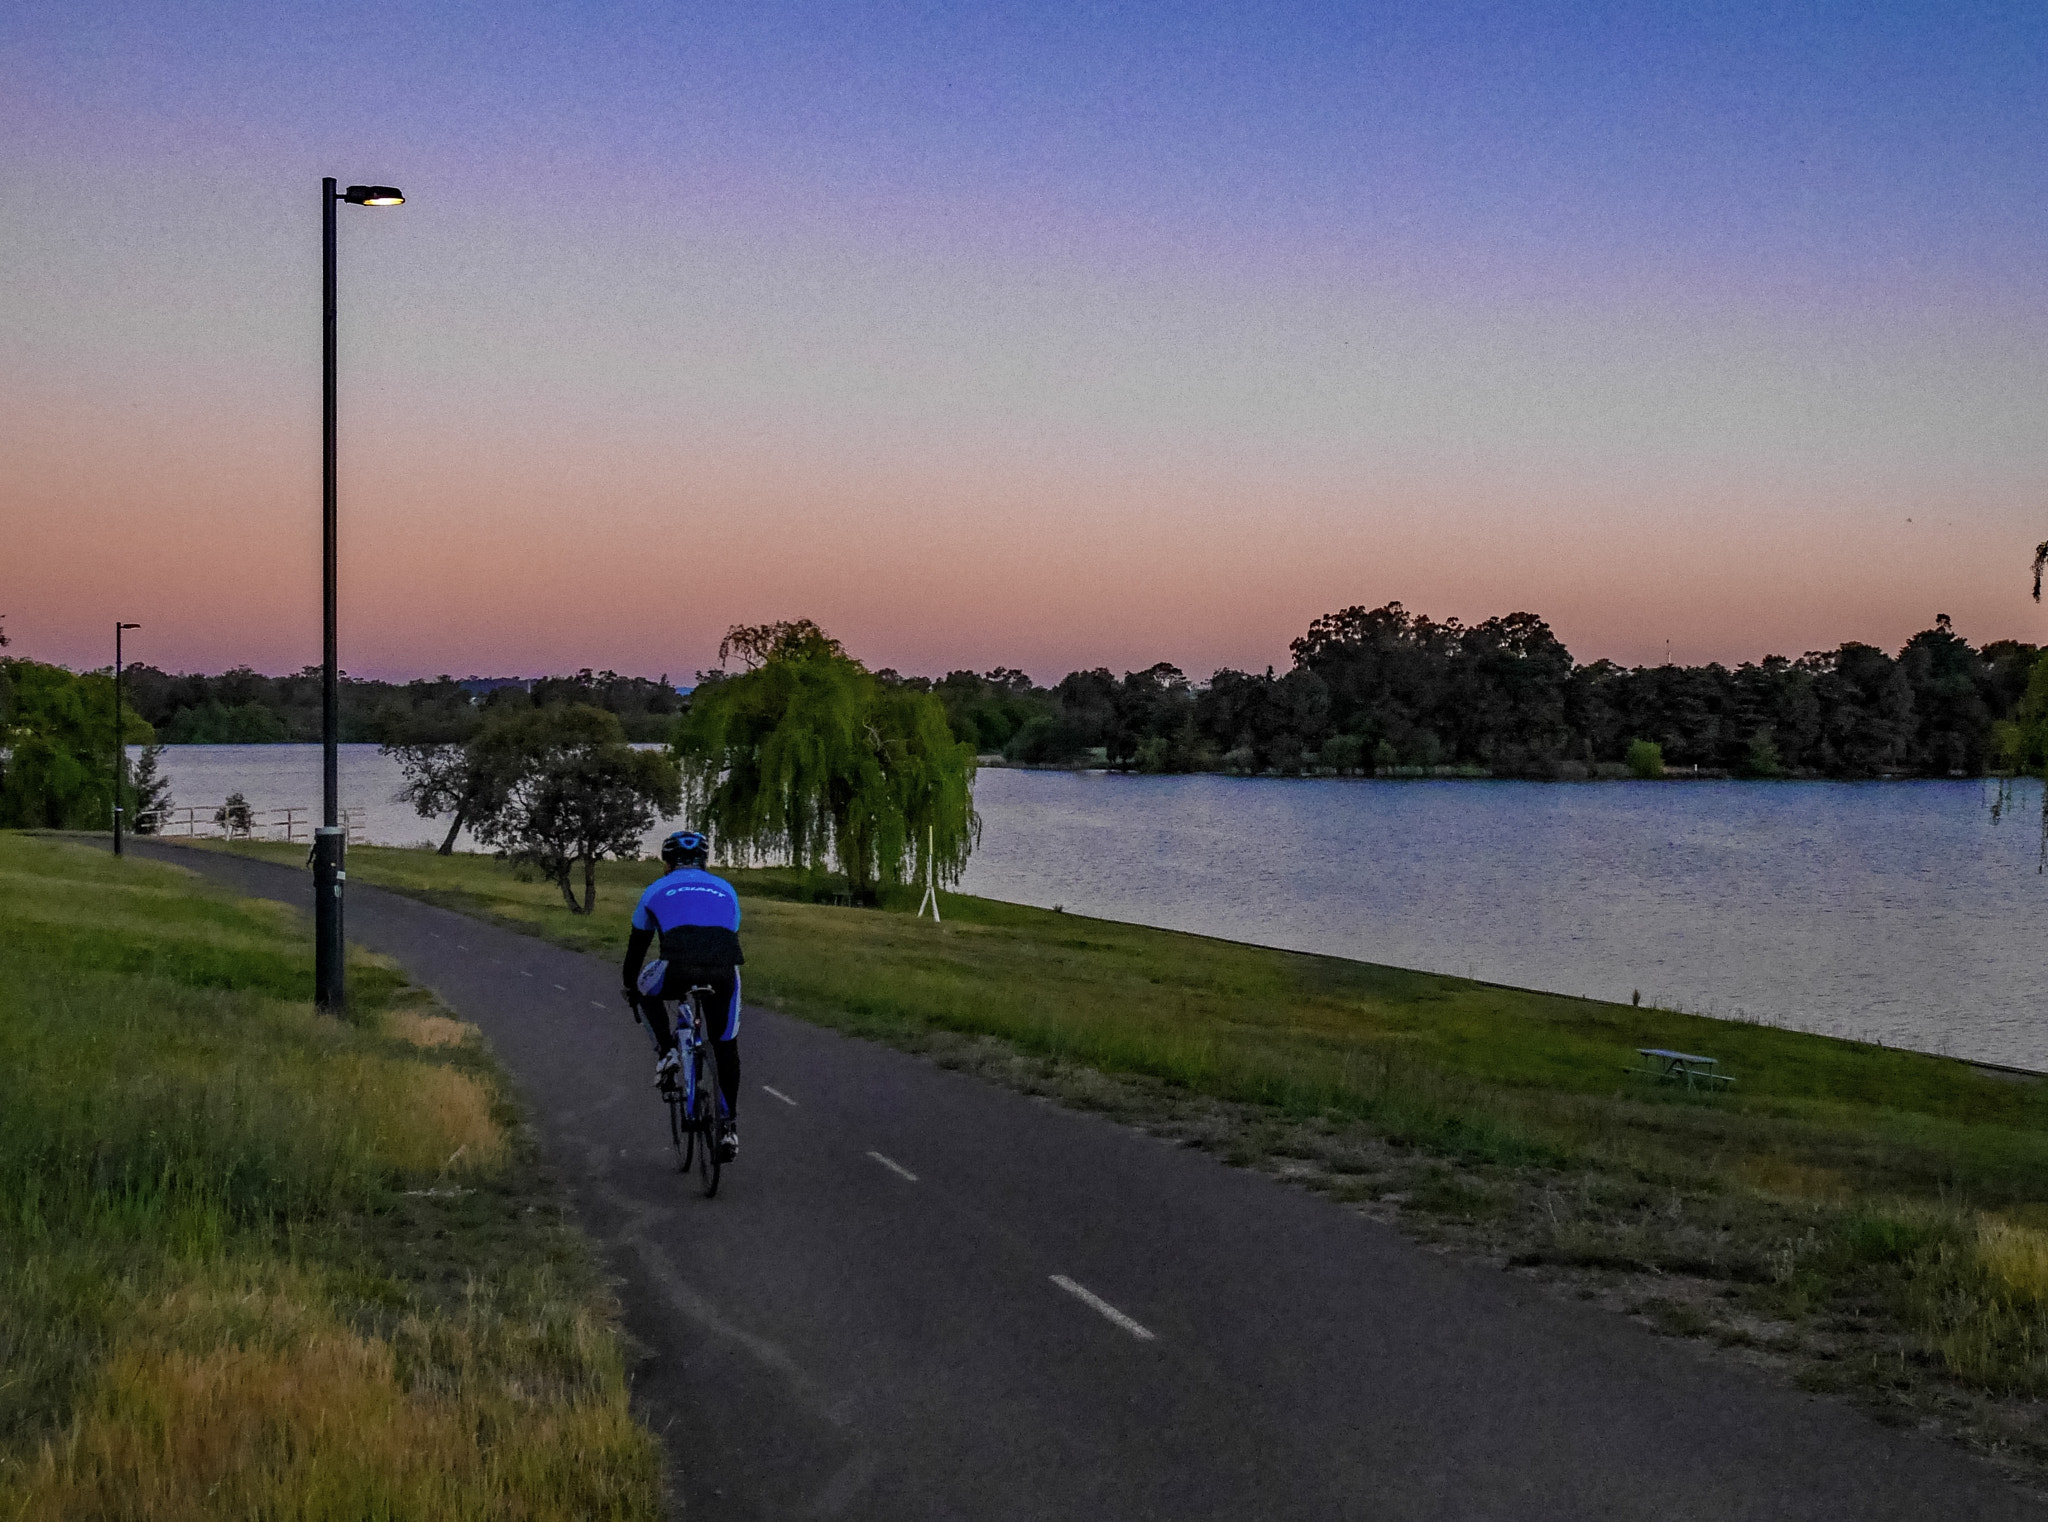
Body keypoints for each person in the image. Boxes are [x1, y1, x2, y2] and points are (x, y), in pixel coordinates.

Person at [623, 829, 744, 1159]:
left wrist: (630, 988)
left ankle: (666, 1053)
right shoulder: (726, 890)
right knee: (726, 1045)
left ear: (666, 862)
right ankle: (729, 1128)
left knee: (645, 987)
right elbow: (728, 933)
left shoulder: (654, 890)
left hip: (676, 969)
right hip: (723, 972)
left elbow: (636, 951)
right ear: (704, 861)